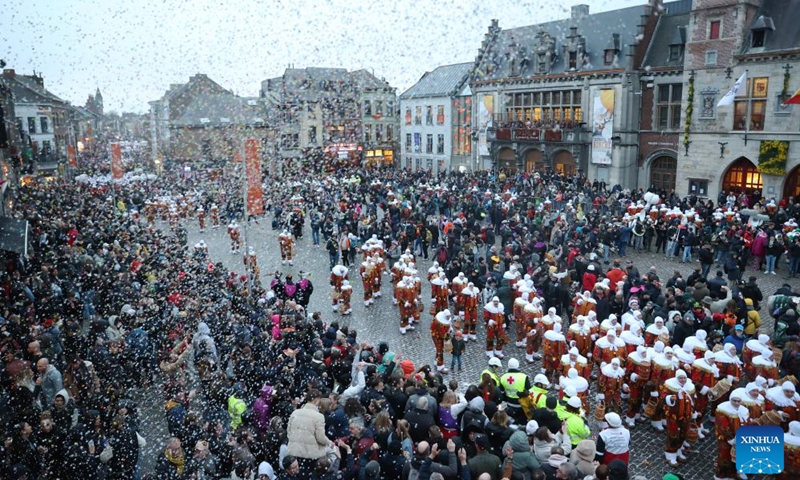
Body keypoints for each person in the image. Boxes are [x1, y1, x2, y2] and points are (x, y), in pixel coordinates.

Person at [285, 389, 331, 467]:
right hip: (311, 454)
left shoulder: (295, 413)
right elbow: (320, 437)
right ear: (317, 400)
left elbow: (289, 431)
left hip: (295, 452)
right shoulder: (318, 416)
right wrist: (329, 442)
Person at [714, 392, 749, 480]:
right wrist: (731, 438)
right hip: (726, 439)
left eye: (739, 401)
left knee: (736, 457)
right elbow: (723, 426)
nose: (737, 403)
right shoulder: (722, 409)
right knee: (725, 457)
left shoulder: (744, 410)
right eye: (734, 401)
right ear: (730, 400)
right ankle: (721, 476)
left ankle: (733, 474)